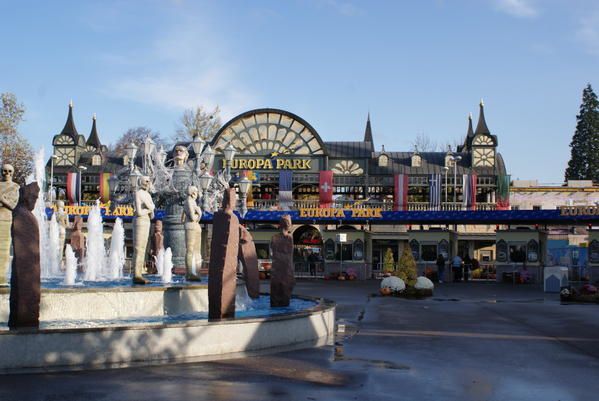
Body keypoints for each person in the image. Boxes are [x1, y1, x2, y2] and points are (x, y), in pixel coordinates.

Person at [0, 164, 19, 287]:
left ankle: (1, 277)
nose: (7, 173)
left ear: (12, 172)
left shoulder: (15, 187)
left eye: (9, 171)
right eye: (4, 171)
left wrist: (2, 199)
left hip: (6, 219)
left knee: (4, 250)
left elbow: (13, 206)